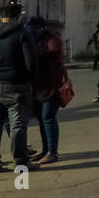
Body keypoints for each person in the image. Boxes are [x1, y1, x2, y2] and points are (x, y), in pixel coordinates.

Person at [0, 0, 38, 173]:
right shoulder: (22, 35)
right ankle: (21, 161)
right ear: (17, 17)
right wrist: (30, 79)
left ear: (0, 17)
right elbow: (32, 61)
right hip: (17, 85)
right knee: (17, 124)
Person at [31, 16, 68, 165]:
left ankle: (53, 151)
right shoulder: (35, 39)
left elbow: (54, 55)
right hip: (38, 85)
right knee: (41, 118)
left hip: (51, 85)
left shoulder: (52, 39)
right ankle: (46, 149)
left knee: (48, 117)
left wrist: (36, 52)